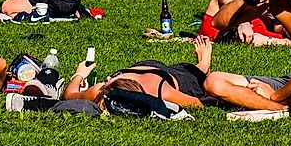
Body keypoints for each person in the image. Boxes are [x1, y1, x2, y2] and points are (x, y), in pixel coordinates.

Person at [65, 36, 214, 109]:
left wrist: (80, 73)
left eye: (109, 80)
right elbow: (200, 103)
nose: (108, 78)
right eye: (109, 81)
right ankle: (203, 64)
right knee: (193, 74)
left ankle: (202, 65)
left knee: (194, 73)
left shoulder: (99, 91)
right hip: (161, 75)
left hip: (149, 68)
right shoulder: (160, 92)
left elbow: (70, 95)